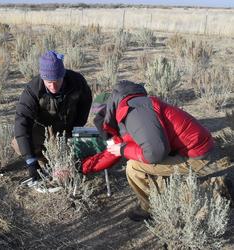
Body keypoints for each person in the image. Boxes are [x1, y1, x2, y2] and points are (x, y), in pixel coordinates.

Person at [81, 80, 231, 221]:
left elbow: (155, 153)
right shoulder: (133, 106)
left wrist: (123, 150)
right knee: (139, 159)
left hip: (197, 155)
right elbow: (114, 150)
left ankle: (151, 207)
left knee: (133, 167)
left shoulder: (134, 112)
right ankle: (165, 194)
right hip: (191, 147)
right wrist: (85, 166)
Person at [12, 50, 92, 181]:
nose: (53, 86)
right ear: (42, 77)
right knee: (18, 143)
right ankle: (42, 159)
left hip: (68, 129)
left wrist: (77, 127)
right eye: (49, 82)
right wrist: (31, 162)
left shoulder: (77, 82)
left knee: (69, 168)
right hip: (44, 131)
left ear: (63, 75)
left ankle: (62, 157)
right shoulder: (32, 90)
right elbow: (22, 122)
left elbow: (86, 102)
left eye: (57, 80)